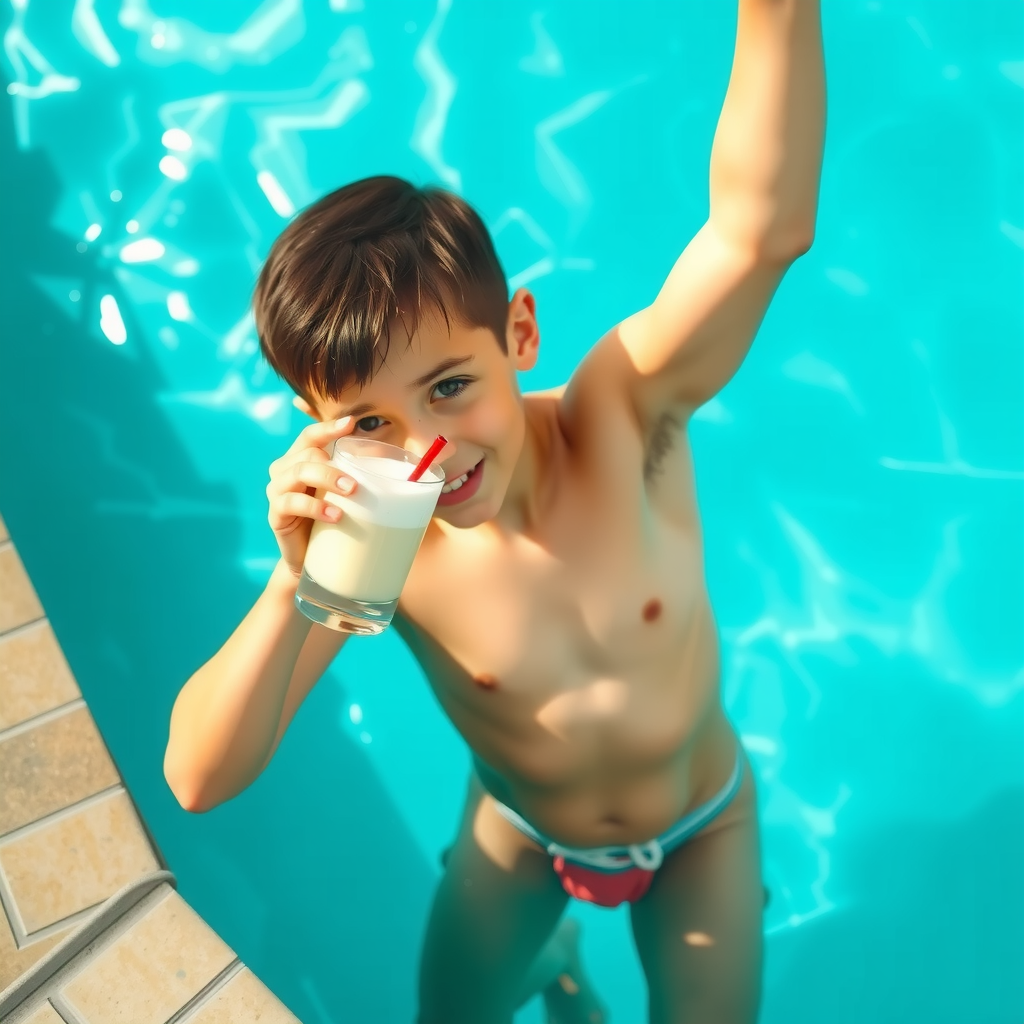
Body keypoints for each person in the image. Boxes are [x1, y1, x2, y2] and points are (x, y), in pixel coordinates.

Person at [164, 1, 824, 1020]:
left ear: (518, 334)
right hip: (520, 832)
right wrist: (294, 577)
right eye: (371, 423)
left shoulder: (621, 416)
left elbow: (759, 231)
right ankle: (557, 959)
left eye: (449, 388)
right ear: (318, 424)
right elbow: (199, 780)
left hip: (701, 828)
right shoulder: (376, 543)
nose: (430, 448)